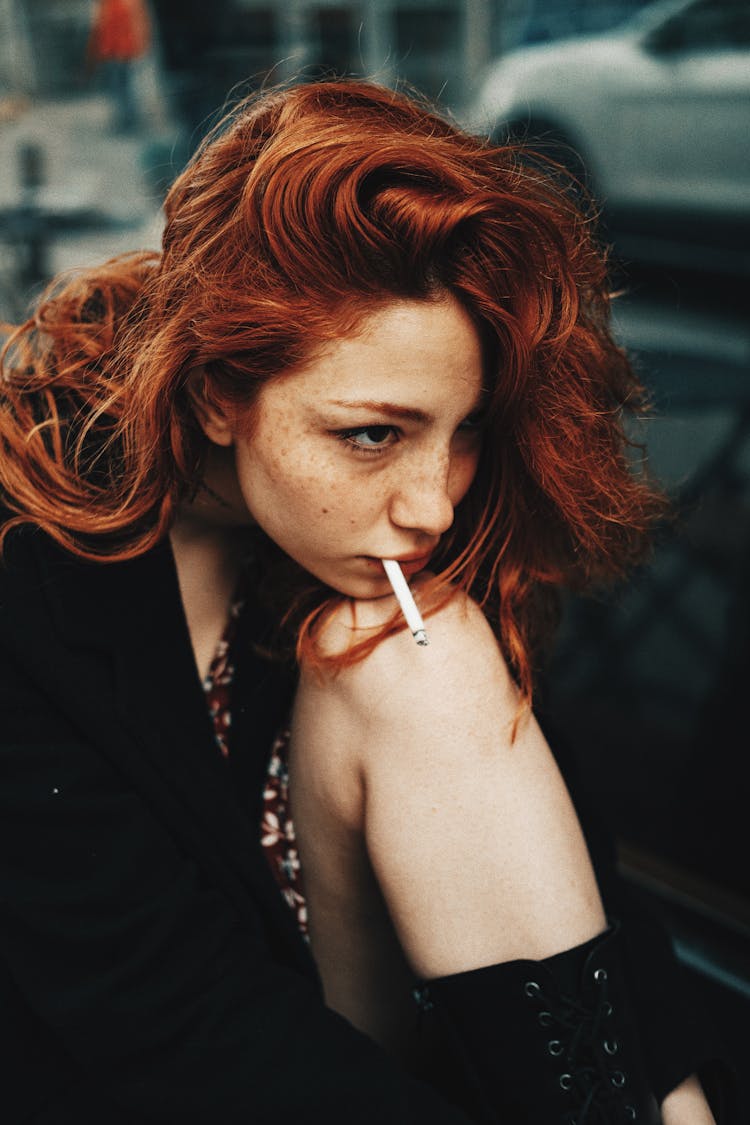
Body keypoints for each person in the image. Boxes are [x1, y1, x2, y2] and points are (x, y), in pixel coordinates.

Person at [0, 80, 737, 1124]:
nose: (434, 502)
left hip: (369, 1047)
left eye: (466, 428)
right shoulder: (30, 596)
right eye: (373, 435)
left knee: (419, 657)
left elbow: (575, 891)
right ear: (217, 392)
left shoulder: (361, 547)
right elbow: (176, 1034)